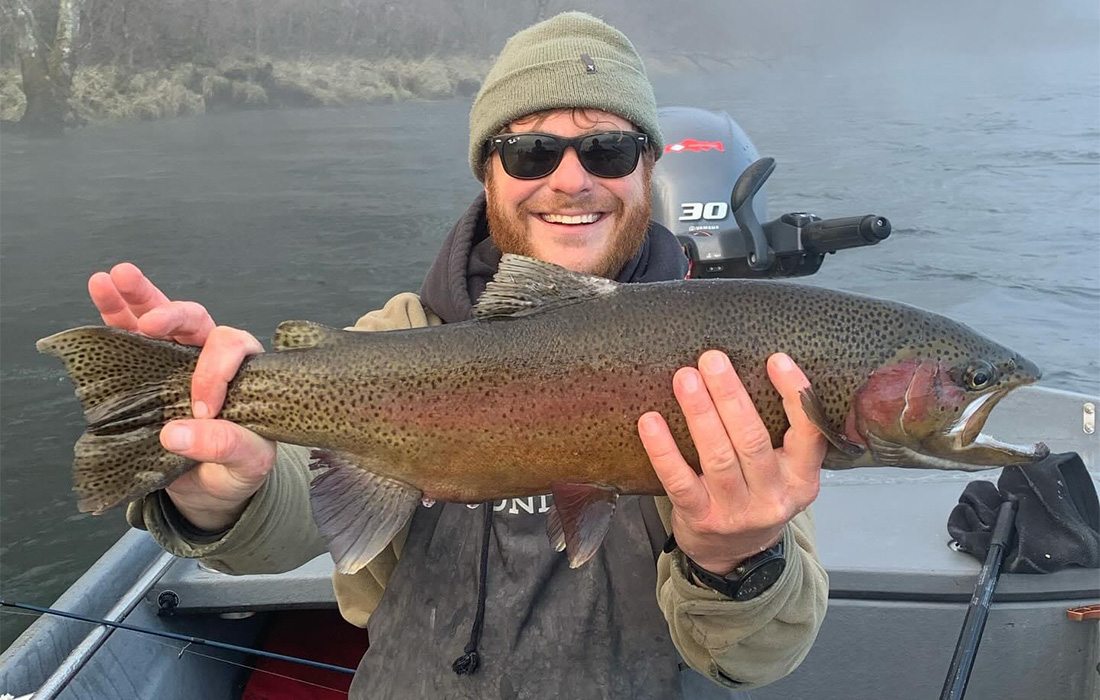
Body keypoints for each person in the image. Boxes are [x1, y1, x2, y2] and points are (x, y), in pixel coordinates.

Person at [88, 12, 828, 699]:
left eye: (607, 148)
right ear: (488, 174)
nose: (570, 179)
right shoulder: (398, 337)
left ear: (646, 170)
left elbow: (758, 658)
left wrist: (740, 559)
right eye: (532, 151)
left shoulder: (721, 364)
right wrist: (221, 492)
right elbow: (299, 505)